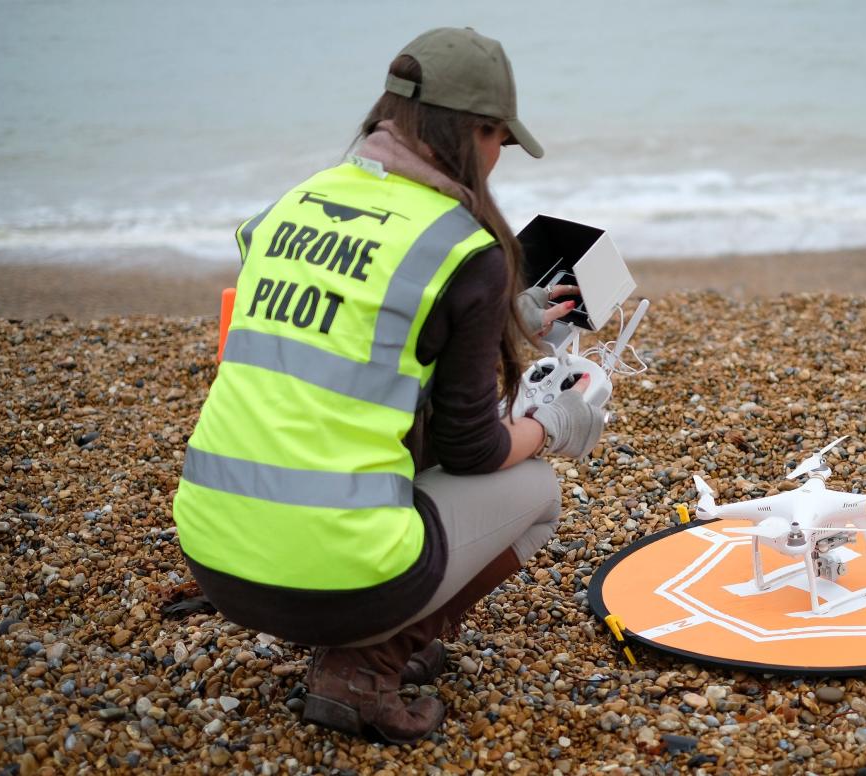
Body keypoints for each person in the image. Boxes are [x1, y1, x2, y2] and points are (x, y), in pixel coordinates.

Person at [171, 27, 605, 744]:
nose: (498, 161)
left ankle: (369, 627)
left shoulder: (290, 206)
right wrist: (557, 423)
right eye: (500, 141)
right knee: (538, 493)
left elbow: (342, 335)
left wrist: (500, 319)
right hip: (333, 576)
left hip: (214, 550)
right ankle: (370, 660)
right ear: (478, 132)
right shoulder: (461, 247)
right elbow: (471, 449)